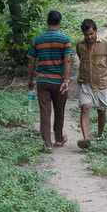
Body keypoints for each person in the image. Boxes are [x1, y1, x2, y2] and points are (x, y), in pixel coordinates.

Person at [27, 10, 73, 152]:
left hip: (42, 82)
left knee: (45, 112)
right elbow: (68, 60)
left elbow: (31, 61)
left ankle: (47, 144)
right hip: (59, 82)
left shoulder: (38, 40)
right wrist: (66, 80)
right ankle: (59, 138)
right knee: (59, 110)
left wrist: (30, 79)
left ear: (47, 22)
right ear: (59, 22)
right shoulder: (65, 40)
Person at [76, 19, 107, 150]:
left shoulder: (106, 44)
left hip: (102, 83)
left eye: (91, 34)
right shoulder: (79, 45)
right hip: (85, 82)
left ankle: (99, 135)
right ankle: (86, 139)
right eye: (86, 34)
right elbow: (81, 59)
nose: (89, 37)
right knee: (85, 107)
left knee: (101, 111)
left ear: (96, 31)